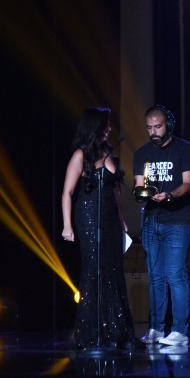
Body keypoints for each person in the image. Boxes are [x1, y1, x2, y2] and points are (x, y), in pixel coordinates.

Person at [61, 107, 137, 351]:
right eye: (105, 125)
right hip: (89, 217)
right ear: (95, 127)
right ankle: (93, 332)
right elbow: (67, 192)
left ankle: (116, 329)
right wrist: (67, 225)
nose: (109, 129)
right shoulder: (81, 155)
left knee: (113, 271)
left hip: (111, 219)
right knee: (95, 271)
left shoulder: (109, 153)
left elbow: (116, 192)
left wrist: (122, 220)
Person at [133, 105, 190, 346]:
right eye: (149, 128)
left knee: (175, 275)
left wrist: (170, 195)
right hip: (152, 221)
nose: (153, 132)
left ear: (169, 125)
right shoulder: (142, 153)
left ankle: (180, 331)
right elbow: (139, 185)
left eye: (158, 126)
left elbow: (189, 184)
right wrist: (142, 194)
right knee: (156, 277)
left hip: (178, 221)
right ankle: (156, 328)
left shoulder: (185, 149)